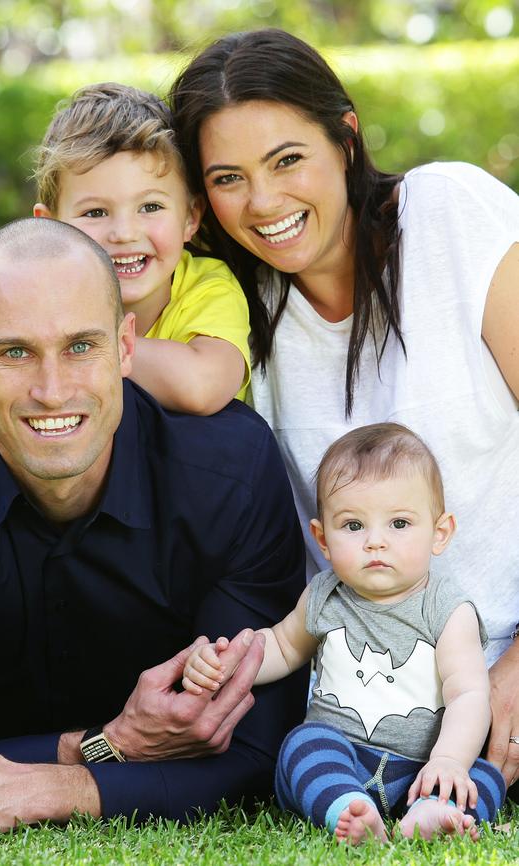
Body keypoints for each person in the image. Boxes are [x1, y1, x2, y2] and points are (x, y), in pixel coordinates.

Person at [0, 217, 308, 829]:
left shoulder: (227, 473)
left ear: (125, 347)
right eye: (15, 352)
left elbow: (254, 752)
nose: (53, 390)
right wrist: (107, 743)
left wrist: (47, 790)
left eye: (82, 346)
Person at [169, 28, 519, 791]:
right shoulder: (235, 307)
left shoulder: (449, 215)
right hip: (358, 707)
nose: (264, 203)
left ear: (347, 137)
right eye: (228, 177)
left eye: (288, 159)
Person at [184, 423, 505, 843]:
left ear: (439, 532)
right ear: (322, 539)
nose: (375, 542)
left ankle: (430, 813)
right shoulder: (324, 595)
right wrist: (224, 664)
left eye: (399, 523)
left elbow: (468, 694)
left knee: (485, 776)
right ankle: (349, 808)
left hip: (424, 767)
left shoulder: (447, 610)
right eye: (353, 526)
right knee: (302, 744)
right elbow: (281, 646)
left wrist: (448, 761)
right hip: (342, 758)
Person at [0, 83, 250, 415]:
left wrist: (86, 351)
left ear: (190, 217)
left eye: (151, 207)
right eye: (95, 213)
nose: (125, 233)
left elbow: (203, 387)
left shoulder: (206, 286)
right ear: (49, 227)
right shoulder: (38, 291)